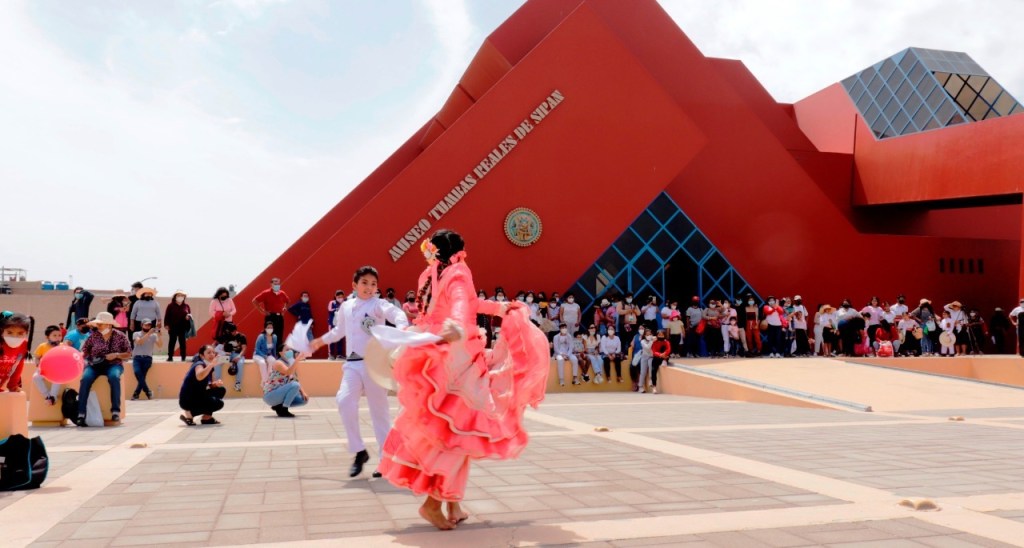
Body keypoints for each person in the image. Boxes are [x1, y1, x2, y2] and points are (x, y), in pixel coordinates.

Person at [377, 229, 548, 530]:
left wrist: (499, 308)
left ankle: (453, 503)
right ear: (458, 250)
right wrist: (456, 327)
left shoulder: (429, 273)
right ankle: (433, 503)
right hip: (457, 356)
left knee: (450, 428)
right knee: (460, 428)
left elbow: (467, 303)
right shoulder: (458, 271)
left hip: (435, 352)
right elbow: (460, 304)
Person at [307, 265, 409, 478]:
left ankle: (385, 460)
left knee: (379, 414)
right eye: (364, 283)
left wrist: (402, 328)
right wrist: (319, 341)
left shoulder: (378, 304)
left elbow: (396, 313)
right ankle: (359, 450)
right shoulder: (346, 306)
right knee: (344, 401)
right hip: (352, 364)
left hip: (374, 365)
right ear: (354, 285)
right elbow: (338, 331)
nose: (369, 287)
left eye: (373, 284)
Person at [76, 312, 131, 426]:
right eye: (98, 324)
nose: (98, 326)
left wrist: (116, 355)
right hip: (95, 365)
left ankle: (115, 411)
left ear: (109, 325)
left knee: (114, 377)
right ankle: (81, 413)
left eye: (101, 324)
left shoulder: (120, 336)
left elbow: (129, 354)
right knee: (85, 379)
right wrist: (80, 356)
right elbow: (85, 350)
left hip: (114, 364)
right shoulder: (94, 336)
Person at [178, 345, 226, 426]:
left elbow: (209, 385)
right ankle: (190, 413)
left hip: (198, 395)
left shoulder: (210, 368)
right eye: (209, 353)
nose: (212, 354)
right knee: (219, 403)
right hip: (188, 399)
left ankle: (206, 418)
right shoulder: (199, 364)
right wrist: (211, 365)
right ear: (202, 355)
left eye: (213, 352)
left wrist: (216, 384)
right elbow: (199, 376)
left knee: (220, 390)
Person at [263, 348, 308, 417]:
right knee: (295, 385)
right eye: (287, 350)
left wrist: (303, 392)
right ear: (280, 353)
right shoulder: (278, 362)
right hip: (270, 395)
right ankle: (284, 410)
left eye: (290, 350)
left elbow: (295, 379)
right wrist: (297, 359)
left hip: (280, 394)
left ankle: (278, 406)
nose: (289, 351)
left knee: (303, 400)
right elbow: (288, 372)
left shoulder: (290, 364)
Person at [252, 277, 289, 352]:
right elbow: (254, 301)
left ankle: (278, 354)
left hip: (279, 317)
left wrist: (284, 309)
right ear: (271, 284)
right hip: (270, 317)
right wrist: (262, 311)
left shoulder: (282, 293)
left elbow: (287, 301)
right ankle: (267, 352)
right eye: (275, 284)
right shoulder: (266, 293)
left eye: (278, 284)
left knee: (279, 336)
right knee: (269, 334)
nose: (277, 285)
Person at [0, 312, 32, 393]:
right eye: (9, 332)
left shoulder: (24, 345)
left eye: (20, 333)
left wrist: (13, 385)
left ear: (26, 333)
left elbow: (18, 366)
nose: (14, 336)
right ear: (2, 331)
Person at [131, 319, 162, 400]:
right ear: (141, 325)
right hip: (137, 358)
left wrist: (160, 335)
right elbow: (139, 342)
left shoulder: (153, 336)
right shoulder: (136, 334)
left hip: (147, 358)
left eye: (149, 325)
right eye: (146, 325)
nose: (147, 327)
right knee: (137, 372)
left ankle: (136, 394)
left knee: (142, 376)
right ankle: (147, 391)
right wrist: (149, 333)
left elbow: (160, 345)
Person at [32, 325, 64, 405]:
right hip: (45, 369)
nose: (58, 337)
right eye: (54, 335)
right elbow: (37, 357)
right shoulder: (42, 346)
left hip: (57, 370)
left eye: (59, 335)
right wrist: (37, 362)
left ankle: (53, 396)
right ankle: (47, 396)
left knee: (57, 379)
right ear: (47, 337)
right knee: (36, 377)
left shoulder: (63, 346)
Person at [216, 322, 247, 391]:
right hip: (228, 355)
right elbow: (221, 346)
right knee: (217, 362)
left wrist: (239, 356)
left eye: (231, 332)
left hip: (238, 355)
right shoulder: (227, 335)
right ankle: (218, 382)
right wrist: (224, 353)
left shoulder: (242, 337)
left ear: (235, 331)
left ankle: (238, 384)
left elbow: (244, 348)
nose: (230, 333)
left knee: (240, 364)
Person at [164, 290, 192, 362]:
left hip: (183, 326)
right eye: (178, 295)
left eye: (182, 295)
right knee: (172, 342)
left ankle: (183, 357)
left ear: (184, 297)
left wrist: (188, 317)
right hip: (173, 326)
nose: (180, 297)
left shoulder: (186, 306)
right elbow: (167, 315)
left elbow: (189, 315)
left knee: (182, 342)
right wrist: (166, 324)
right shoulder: (170, 305)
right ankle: (170, 357)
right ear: (175, 297)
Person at [327, 290, 347, 359]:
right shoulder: (332, 302)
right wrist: (338, 308)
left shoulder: (344, 303)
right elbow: (330, 309)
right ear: (335, 296)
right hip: (332, 324)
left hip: (341, 325)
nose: (340, 298)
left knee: (340, 340)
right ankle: (331, 355)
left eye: (341, 296)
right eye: (338, 296)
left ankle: (339, 355)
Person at [650, 329, 671, 394]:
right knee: (653, 371)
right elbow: (653, 351)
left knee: (666, 354)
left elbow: (668, 349)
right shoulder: (654, 342)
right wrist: (660, 355)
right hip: (657, 357)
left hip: (664, 356)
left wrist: (664, 354)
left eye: (662, 335)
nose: (661, 336)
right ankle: (654, 387)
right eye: (659, 335)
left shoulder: (666, 342)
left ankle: (664, 361)